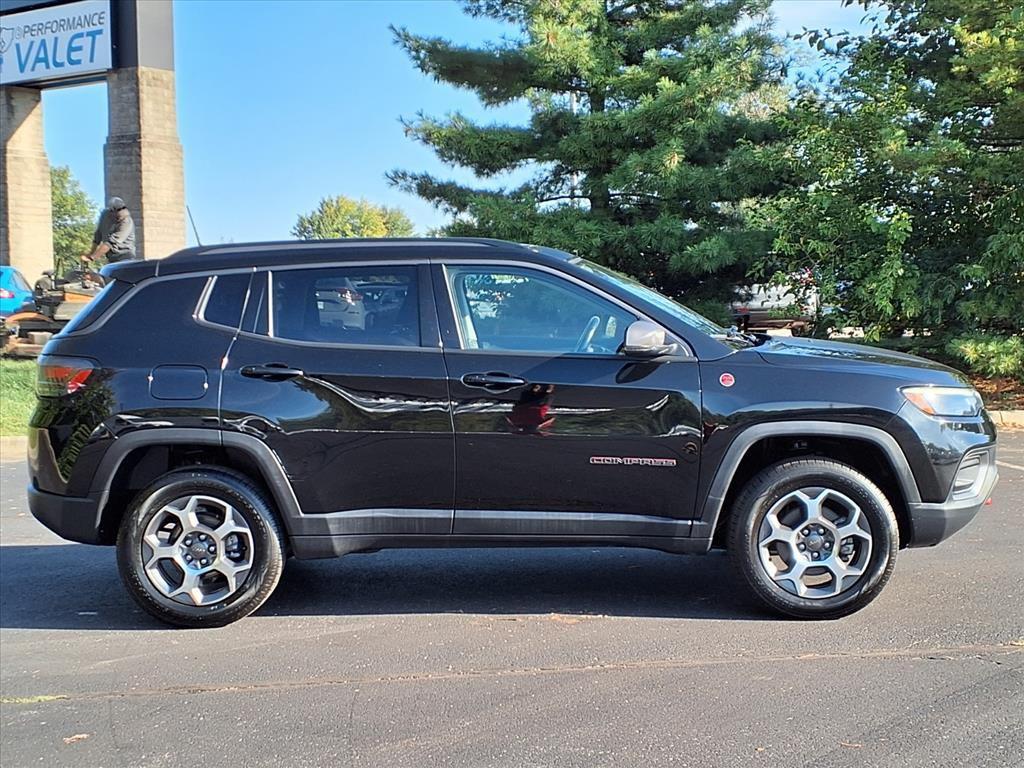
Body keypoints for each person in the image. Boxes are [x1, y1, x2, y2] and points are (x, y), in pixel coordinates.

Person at [85, 197, 136, 264]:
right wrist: (90, 253)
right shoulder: (105, 215)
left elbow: (111, 243)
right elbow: (98, 235)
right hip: (111, 257)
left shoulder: (126, 222)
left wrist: (92, 257)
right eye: (118, 214)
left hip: (125, 257)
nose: (121, 215)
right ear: (111, 211)